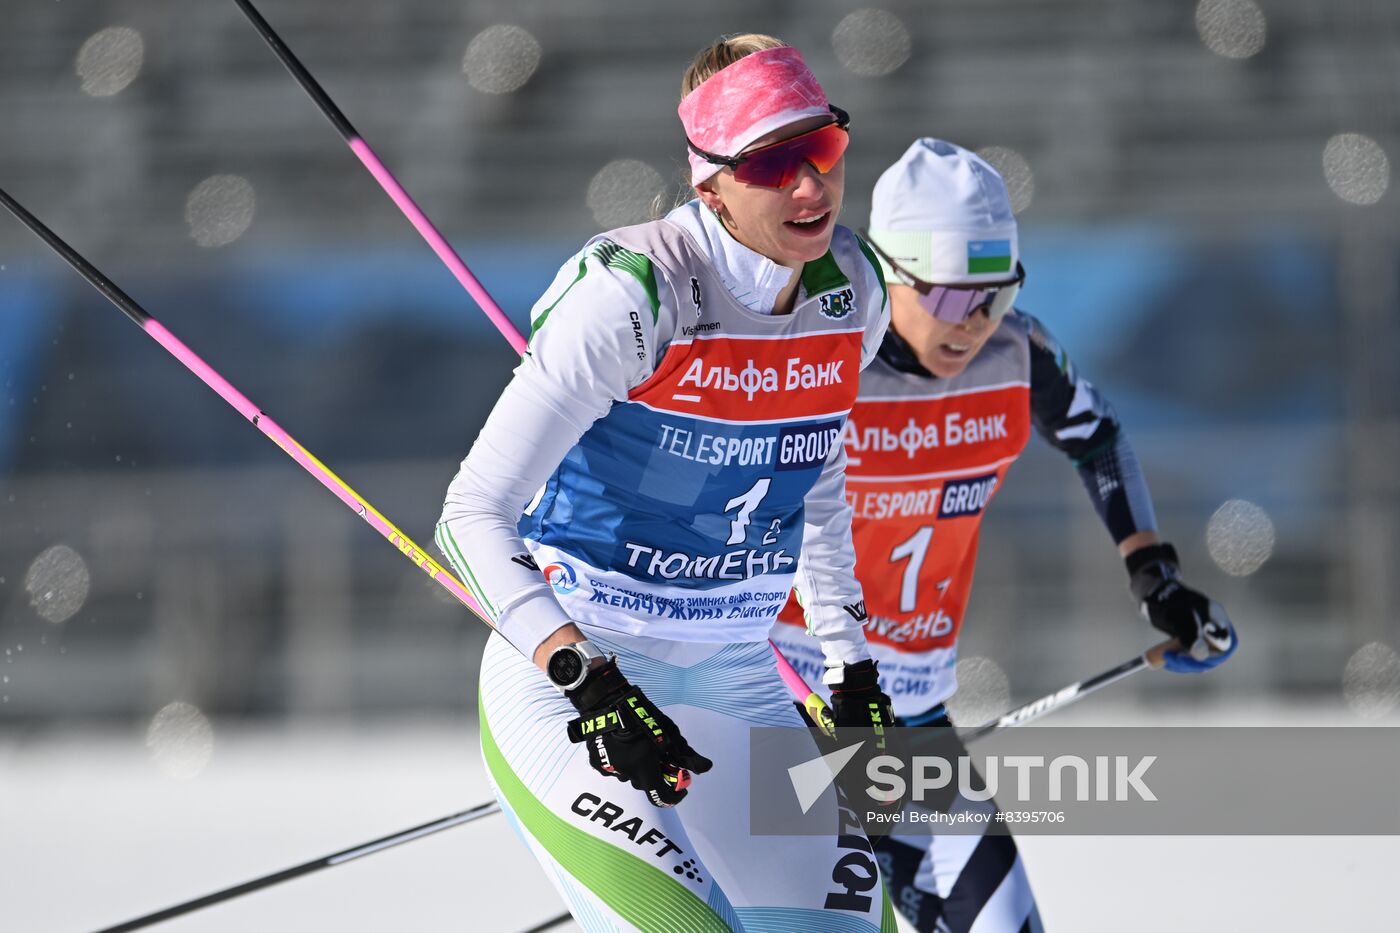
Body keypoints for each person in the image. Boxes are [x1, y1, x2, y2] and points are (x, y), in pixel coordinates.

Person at [437, 35, 900, 931]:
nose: (810, 187)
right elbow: (470, 518)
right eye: (772, 163)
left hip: (737, 673)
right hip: (580, 680)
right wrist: (589, 681)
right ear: (710, 182)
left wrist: (848, 664)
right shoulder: (636, 294)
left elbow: (819, 477)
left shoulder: (855, 291)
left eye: (824, 149)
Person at [769, 139, 1238, 931]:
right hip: (791, 705)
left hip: (910, 714)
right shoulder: (817, 357)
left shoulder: (1019, 355)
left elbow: (1100, 438)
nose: (977, 323)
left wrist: (1152, 570)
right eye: (953, 298)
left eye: (997, 293)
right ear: (888, 271)